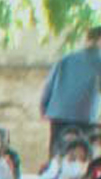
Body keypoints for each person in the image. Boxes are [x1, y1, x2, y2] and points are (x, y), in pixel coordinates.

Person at [41, 26, 101, 154]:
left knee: (58, 154)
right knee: (83, 156)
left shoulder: (66, 59)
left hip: (59, 116)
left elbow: (49, 86)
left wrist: (44, 108)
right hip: (86, 118)